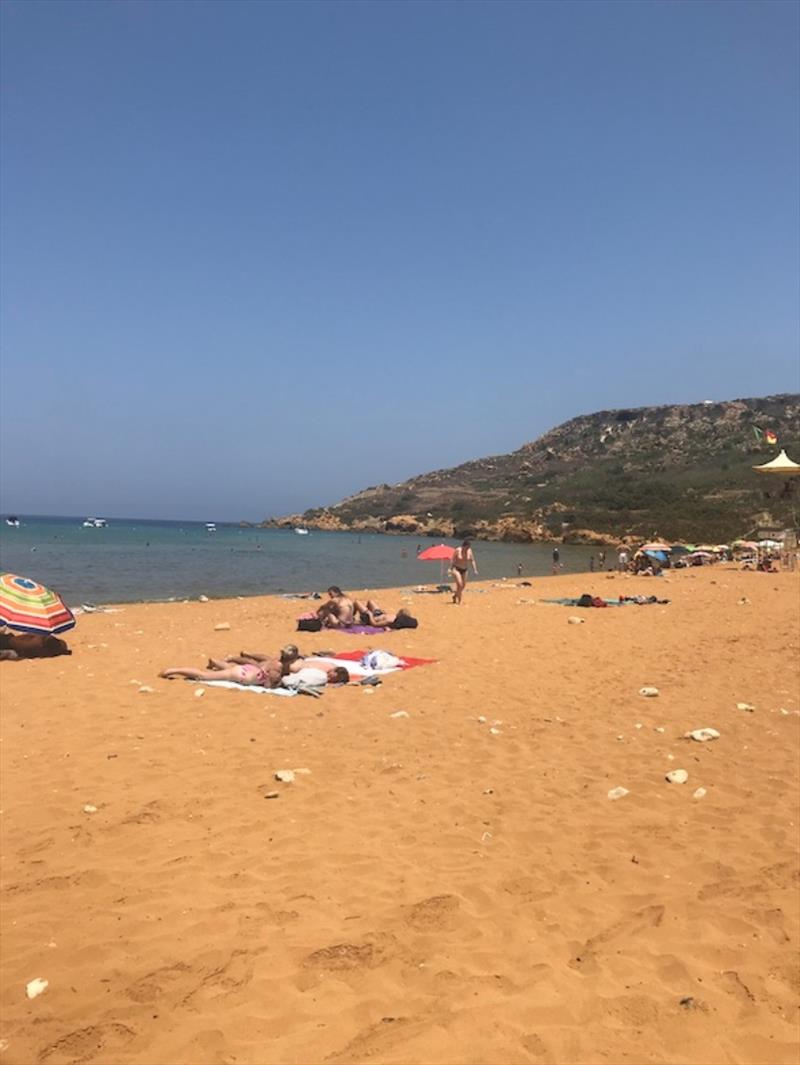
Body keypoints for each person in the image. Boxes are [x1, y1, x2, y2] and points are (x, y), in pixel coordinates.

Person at [353, 598, 418, 629]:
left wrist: (369, 614)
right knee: (370, 601)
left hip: (371, 618)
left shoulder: (389, 621)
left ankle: (351, 618)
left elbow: (374, 624)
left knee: (356, 602)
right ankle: (361, 617)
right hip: (379, 614)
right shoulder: (395, 617)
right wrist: (384, 614)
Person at [450, 540, 478, 604]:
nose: (467, 549)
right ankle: (460, 601)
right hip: (456, 569)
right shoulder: (458, 550)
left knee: (463, 586)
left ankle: (455, 596)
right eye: (466, 547)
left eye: (469, 547)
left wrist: (475, 570)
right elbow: (452, 560)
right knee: (459, 584)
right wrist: (450, 569)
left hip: (464, 569)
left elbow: (472, 560)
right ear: (463, 546)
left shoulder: (469, 551)